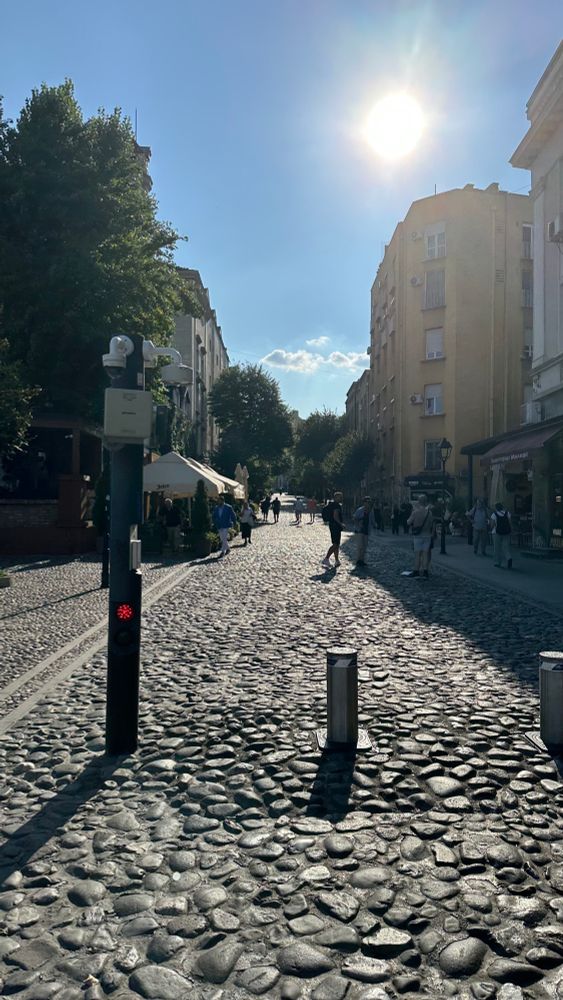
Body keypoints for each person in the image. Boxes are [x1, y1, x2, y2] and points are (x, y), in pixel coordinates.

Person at [406, 495, 433, 578]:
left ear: (419, 502)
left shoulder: (416, 512)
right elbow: (431, 524)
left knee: (417, 554)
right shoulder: (429, 512)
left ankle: (416, 570)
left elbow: (408, 522)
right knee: (425, 553)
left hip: (418, 536)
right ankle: (425, 571)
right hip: (427, 535)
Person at [321, 491, 344, 569]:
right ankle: (326, 558)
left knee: (336, 544)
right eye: (340, 497)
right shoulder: (336, 506)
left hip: (332, 525)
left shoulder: (331, 505)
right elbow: (335, 516)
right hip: (335, 526)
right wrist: (341, 524)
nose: (341, 498)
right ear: (336, 497)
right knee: (335, 544)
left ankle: (337, 560)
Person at [352, 497, 375, 567]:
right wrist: (358, 525)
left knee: (364, 546)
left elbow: (372, 519)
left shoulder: (371, 511)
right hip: (359, 530)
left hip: (366, 530)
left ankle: (362, 560)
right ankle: (358, 560)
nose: (368, 504)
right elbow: (355, 518)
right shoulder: (360, 510)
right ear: (364, 503)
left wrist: (375, 524)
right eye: (366, 502)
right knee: (360, 546)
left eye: (369, 502)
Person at [490, 502, 512, 568]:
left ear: (496, 508)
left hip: (496, 533)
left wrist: (490, 527)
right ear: (502, 507)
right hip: (506, 532)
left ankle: (497, 562)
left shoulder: (494, 514)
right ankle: (509, 558)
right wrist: (511, 530)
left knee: (497, 548)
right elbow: (510, 523)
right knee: (505, 547)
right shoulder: (507, 513)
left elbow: (492, 525)